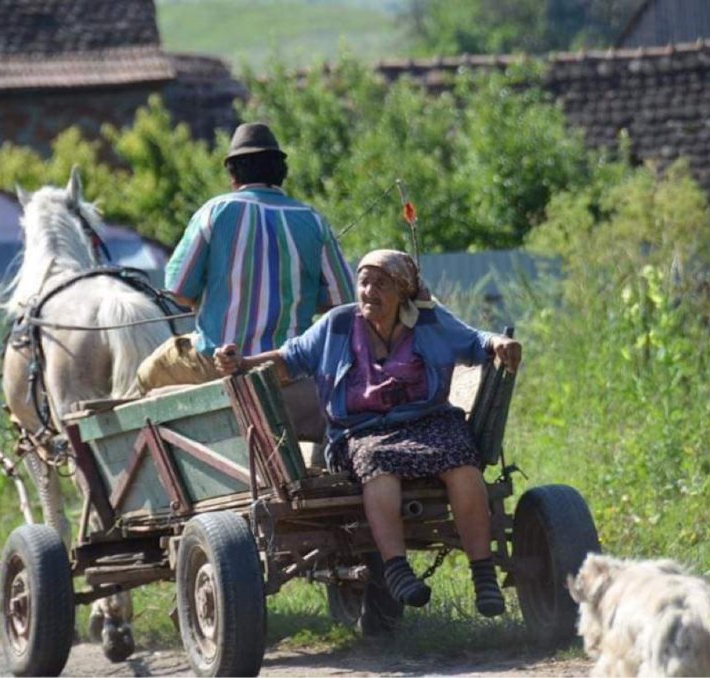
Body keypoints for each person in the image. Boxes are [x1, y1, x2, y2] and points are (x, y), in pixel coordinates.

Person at [214, 249, 522, 617]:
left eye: (381, 284)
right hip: (361, 430)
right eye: (364, 282)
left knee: (463, 462)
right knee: (377, 462)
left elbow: (474, 341)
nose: (368, 291)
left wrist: (498, 343)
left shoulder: (428, 322)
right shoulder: (338, 324)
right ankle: (396, 569)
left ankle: (483, 575)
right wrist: (243, 363)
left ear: (403, 291)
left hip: (429, 422)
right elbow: (289, 359)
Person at [140, 122, 355, 391]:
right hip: (288, 369)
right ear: (280, 172)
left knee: (148, 373)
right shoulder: (313, 220)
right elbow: (342, 302)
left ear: (233, 174)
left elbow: (179, 291)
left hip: (216, 364)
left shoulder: (215, 212)